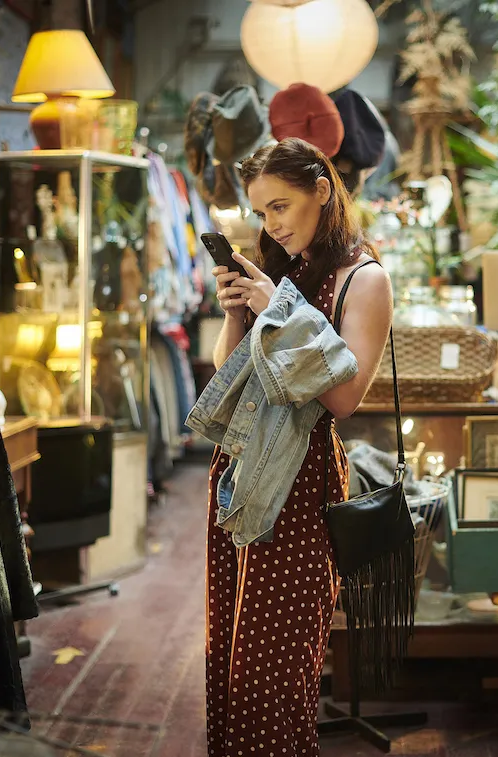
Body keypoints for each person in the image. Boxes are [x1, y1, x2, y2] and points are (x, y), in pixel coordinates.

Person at [205, 138, 393, 755]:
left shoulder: (363, 280)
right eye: (261, 213)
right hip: (239, 466)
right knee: (232, 651)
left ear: (322, 190)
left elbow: (343, 399)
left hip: (299, 479)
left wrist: (275, 310)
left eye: (281, 206)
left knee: (276, 666)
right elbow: (227, 374)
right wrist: (239, 311)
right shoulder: (283, 268)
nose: (273, 224)